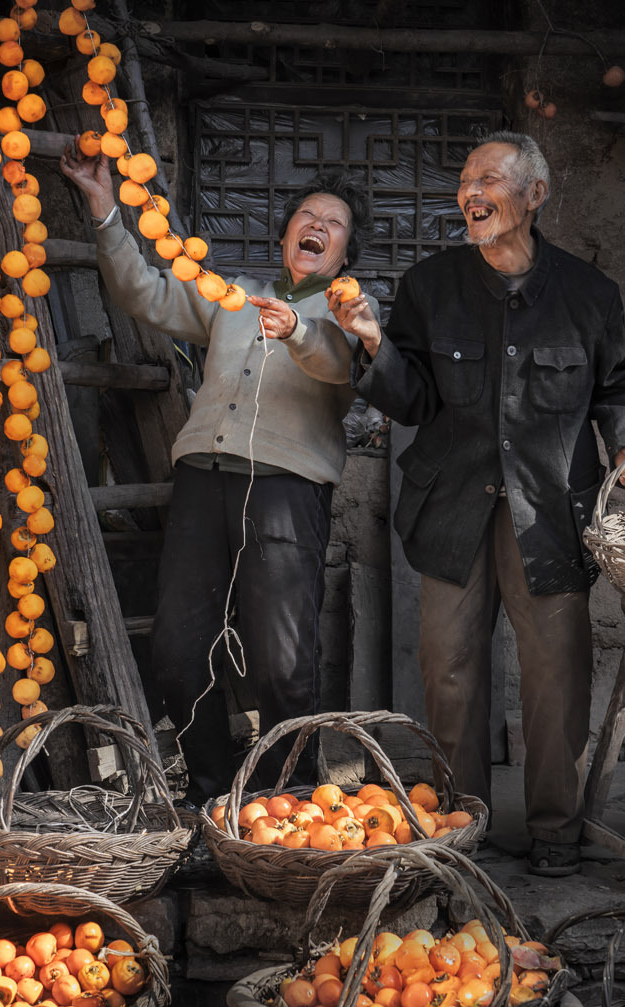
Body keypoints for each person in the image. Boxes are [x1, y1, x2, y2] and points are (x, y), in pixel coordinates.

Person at [314, 131, 625, 876]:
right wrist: (374, 342)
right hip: (452, 509)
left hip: (549, 515)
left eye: (491, 179)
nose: (471, 190)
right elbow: (410, 400)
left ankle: (554, 834)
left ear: (534, 195)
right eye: (466, 178)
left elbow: (618, 390)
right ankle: (458, 827)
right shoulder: (430, 286)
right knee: (449, 671)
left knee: (554, 678)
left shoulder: (588, 295)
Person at [60, 145, 378, 805]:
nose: (315, 224)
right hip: (203, 482)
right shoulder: (236, 298)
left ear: (345, 253)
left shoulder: (352, 311)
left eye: (333, 222)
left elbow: (337, 363)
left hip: (286, 490)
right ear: (288, 232)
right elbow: (142, 293)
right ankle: (209, 792)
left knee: (282, 664)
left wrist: (296, 328)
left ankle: (288, 804)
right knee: (178, 648)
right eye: (306, 215)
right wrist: (103, 211)